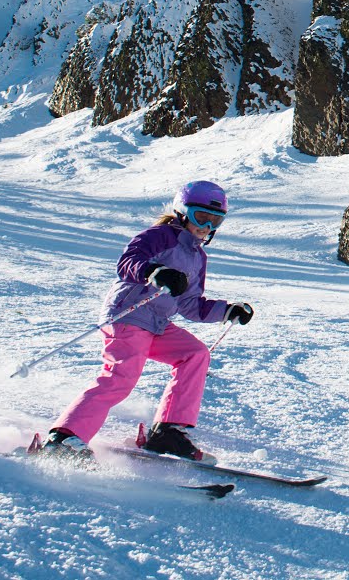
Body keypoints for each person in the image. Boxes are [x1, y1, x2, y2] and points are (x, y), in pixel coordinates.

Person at [40, 180, 254, 461]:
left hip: (157, 324)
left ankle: (168, 431)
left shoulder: (197, 257)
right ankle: (65, 437)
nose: (207, 227)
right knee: (121, 375)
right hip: (128, 314)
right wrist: (154, 271)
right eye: (201, 217)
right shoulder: (160, 236)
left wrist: (227, 311)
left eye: (216, 221)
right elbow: (128, 261)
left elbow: (190, 305)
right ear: (182, 211)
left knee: (195, 354)